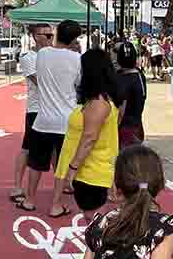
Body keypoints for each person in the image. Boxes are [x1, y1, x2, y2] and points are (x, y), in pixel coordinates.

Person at [20, 20, 83, 217]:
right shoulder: (77, 59)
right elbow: (79, 84)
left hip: (43, 120)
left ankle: (29, 200)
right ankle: (56, 204)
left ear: (56, 34)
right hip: (67, 121)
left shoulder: (43, 54)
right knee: (61, 166)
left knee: (35, 164)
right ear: (74, 39)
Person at [55, 49, 120, 223]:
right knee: (94, 221)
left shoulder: (98, 103)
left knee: (94, 221)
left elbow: (89, 138)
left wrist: (72, 169)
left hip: (92, 172)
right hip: (91, 172)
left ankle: (96, 251)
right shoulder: (99, 100)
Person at [10, 23, 54, 203]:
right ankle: (17, 186)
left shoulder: (53, 56)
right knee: (27, 148)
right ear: (36, 36)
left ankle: (65, 183)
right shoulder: (29, 56)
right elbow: (39, 81)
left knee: (56, 150)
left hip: (54, 108)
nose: (51, 38)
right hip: (36, 110)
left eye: (52, 34)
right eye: (47, 35)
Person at [116, 42, 148, 148]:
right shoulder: (140, 75)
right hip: (136, 125)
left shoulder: (121, 78)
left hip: (124, 128)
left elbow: (121, 110)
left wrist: (114, 128)